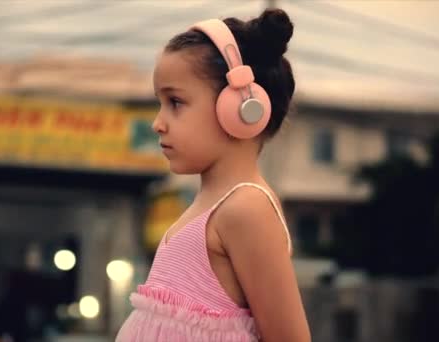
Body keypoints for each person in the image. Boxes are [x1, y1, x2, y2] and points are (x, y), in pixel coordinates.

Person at [116, 8, 311, 342]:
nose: (157, 123)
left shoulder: (246, 208)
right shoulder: (205, 208)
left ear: (241, 106)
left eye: (175, 102)